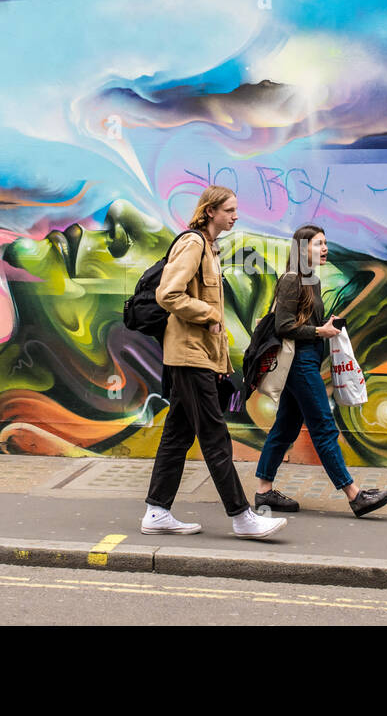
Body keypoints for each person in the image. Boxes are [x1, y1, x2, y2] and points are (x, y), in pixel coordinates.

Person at [141, 185, 287, 540]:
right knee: (214, 435)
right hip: (189, 357)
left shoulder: (209, 247)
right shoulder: (193, 244)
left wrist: (220, 360)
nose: (236, 215)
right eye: (230, 210)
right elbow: (168, 293)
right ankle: (241, 516)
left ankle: (157, 511)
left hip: (198, 356)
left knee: (178, 435)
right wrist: (207, 312)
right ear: (210, 211)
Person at [253, 225, 387, 518]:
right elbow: (283, 326)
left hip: (308, 360)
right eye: (319, 244)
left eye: (325, 243)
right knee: (324, 426)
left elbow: (302, 322)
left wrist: (326, 327)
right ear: (303, 248)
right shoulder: (292, 280)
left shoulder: (311, 280)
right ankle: (355, 496)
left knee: (285, 428)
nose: (325, 248)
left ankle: (263, 492)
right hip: (300, 363)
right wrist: (320, 330)